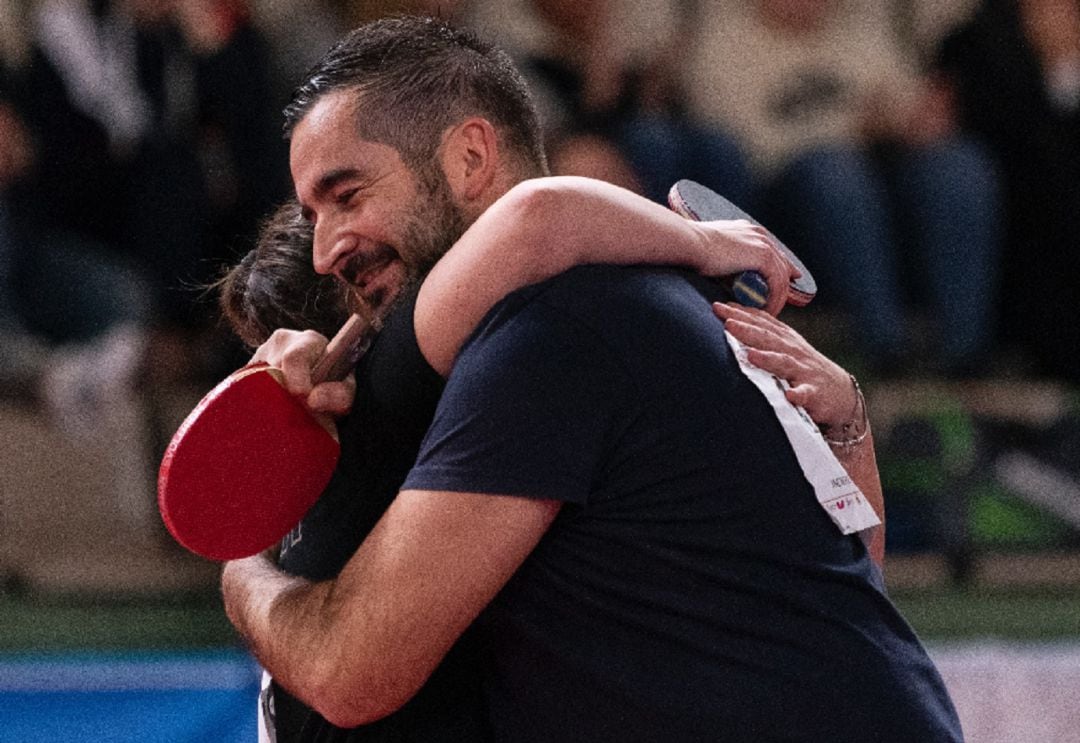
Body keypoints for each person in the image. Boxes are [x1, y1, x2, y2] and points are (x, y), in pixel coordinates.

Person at [221, 17, 962, 742]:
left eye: (347, 194)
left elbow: (351, 670)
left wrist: (241, 568)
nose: (325, 251)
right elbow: (854, 580)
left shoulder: (552, 330)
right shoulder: (677, 303)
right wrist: (852, 423)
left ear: (471, 158)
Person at [681, 0, 1002, 379]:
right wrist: (856, 130)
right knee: (835, 176)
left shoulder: (861, 25)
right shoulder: (723, 36)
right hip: (781, 198)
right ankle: (886, 347)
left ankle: (966, 354)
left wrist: (907, 125)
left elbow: (908, 112)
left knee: (958, 166)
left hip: (875, 177)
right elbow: (743, 148)